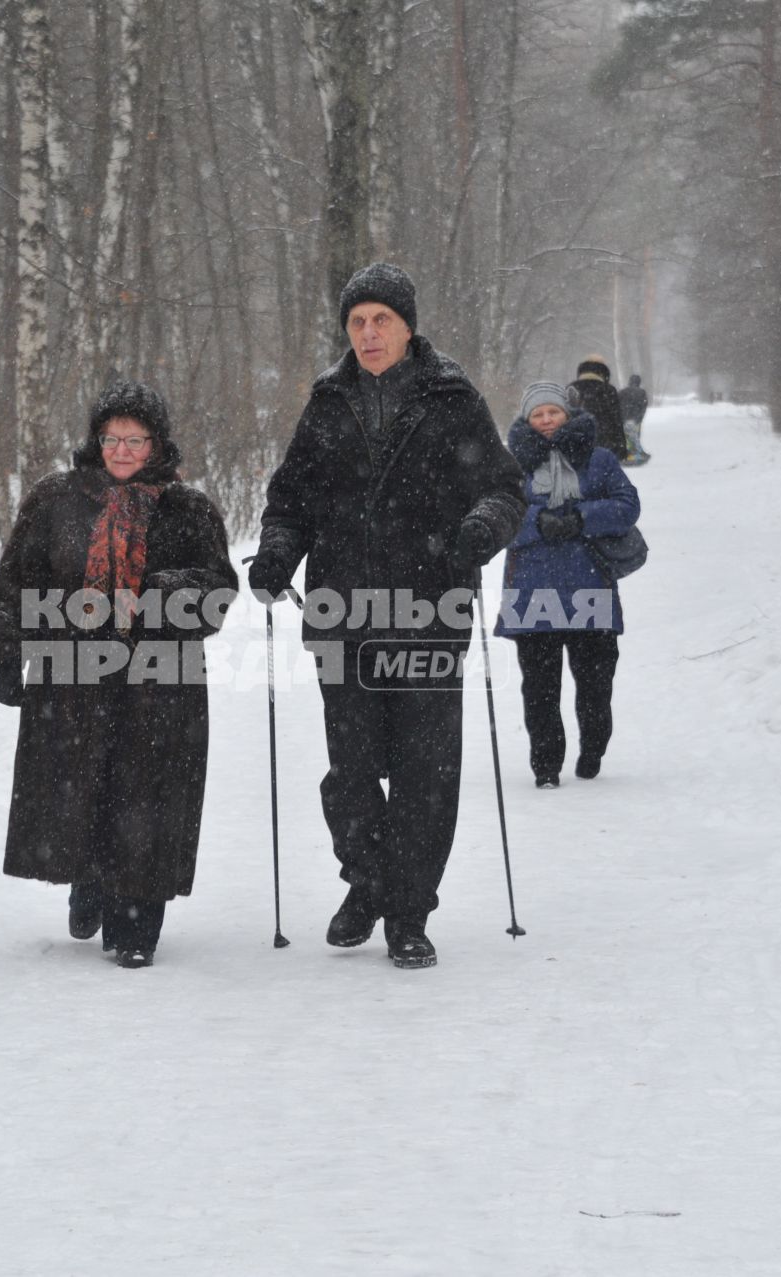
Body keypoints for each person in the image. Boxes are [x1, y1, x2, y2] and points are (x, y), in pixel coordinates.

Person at [248, 263, 524, 970]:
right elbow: (290, 498)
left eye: (382, 321)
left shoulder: (452, 399)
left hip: (430, 610)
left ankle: (408, 912)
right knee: (351, 772)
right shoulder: (328, 401)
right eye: (357, 323)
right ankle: (367, 882)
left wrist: (480, 528)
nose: (368, 334)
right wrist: (278, 549)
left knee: (425, 774)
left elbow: (502, 488)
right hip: (342, 614)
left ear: (408, 327)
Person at [0, 380, 238, 969]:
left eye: (136, 439)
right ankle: (89, 880)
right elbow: (17, 581)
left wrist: (164, 593)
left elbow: (220, 588)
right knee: (81, 786)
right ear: (95, 440)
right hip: (71, 675)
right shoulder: (55, 500)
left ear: (157, 443)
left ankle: (136, 918)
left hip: (159, 680)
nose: (122, 450)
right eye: (111, 438)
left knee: (147, 795)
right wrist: (6, 652)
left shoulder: (188, 507)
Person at [494, 381, 640, 787]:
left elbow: (627, 506)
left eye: (552, 413)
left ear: (566, 414)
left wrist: (581, 519)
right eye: (537, 415)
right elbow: (495, 516)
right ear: (527, 420)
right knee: (539, 690)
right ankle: (546, 766)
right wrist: (537, 522)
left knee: (596, 685)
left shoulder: (600, 460)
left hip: (589, 586)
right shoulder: (508, 465)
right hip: (532, 590)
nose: (545, 421)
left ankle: (593, 750)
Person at [570, 355, 629, 457]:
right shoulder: (609, 390)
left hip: (575, 444)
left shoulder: (571, 389)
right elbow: (616, 420)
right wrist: (621, 447)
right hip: (605, 444)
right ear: (603, 371)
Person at [618, 373, 651, 465]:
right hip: (636, 418)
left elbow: (616, 404)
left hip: (623, 418)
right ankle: (634, 456)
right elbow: (644, 406)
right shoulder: (642, 392)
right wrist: (640, 418)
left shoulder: (622, 392)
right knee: (635, 436)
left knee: (626, 438)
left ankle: (628, 455)